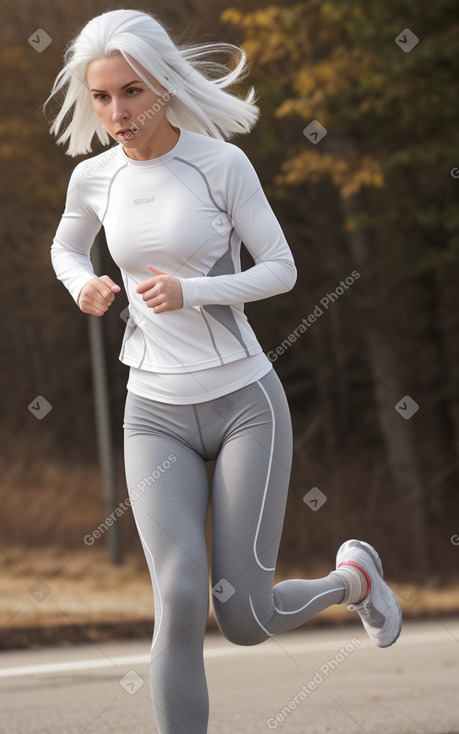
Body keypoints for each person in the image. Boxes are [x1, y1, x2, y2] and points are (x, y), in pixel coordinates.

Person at [48, 9, 402, 734]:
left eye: (133, 93)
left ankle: (353, 579)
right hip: (152, 412)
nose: (118, 112)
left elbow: (280, 268)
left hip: (244, 404)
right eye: (104, 97)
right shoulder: (93, 179)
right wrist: (80, 283)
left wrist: (192, 291)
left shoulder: (220, 165)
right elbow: (66, 249)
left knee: (243, 617)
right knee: (178, 596)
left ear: (165, 89)